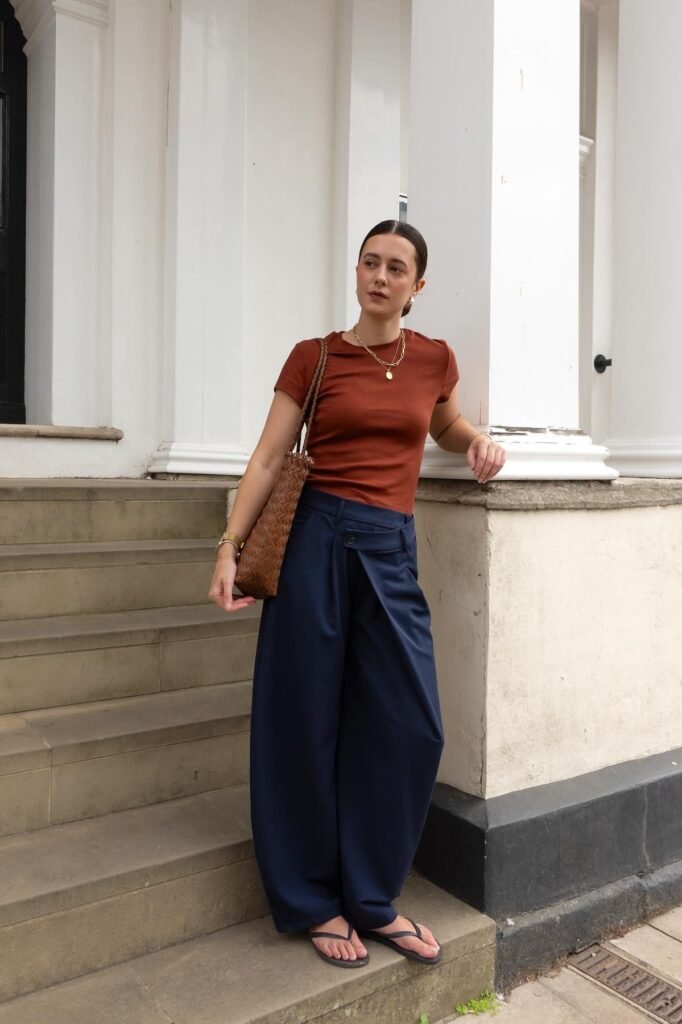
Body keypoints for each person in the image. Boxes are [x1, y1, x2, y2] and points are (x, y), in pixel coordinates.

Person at [208, 220, 505, 969]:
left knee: (410, 723)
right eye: (370, 262)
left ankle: (372, 897)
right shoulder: (315, 357)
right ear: (357, 271)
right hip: (314, 542)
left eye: (396, 267)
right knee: (302, 718)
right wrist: (229, 547)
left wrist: (476, 441)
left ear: (417, 286)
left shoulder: (433, 358)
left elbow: (443, 424)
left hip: (390, 549)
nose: (379, 276)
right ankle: (313, 900)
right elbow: (268, 457)